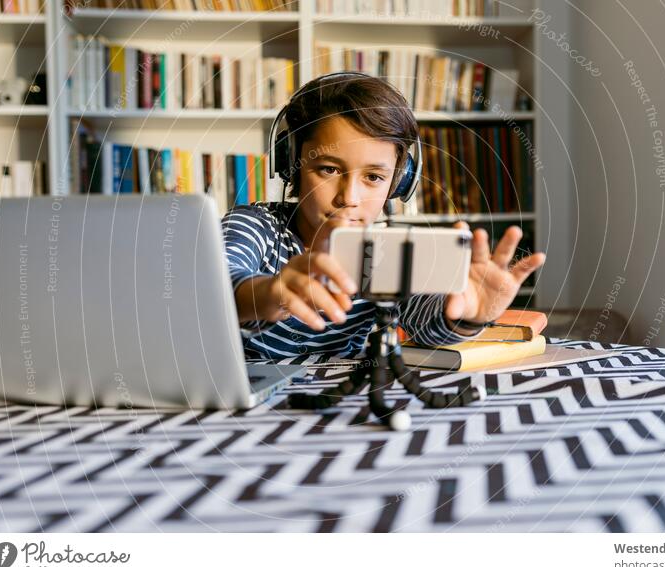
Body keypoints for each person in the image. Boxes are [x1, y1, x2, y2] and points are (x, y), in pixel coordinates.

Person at [222, 73, 545, 359]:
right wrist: (270, 294)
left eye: (373, 177)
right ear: (291, 162)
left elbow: (426, 323)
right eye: (328, 169)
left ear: (399, 181)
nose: (349, 198)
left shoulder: (388, 249)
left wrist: (467, 316)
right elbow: (215, 283)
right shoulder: (255, 225)